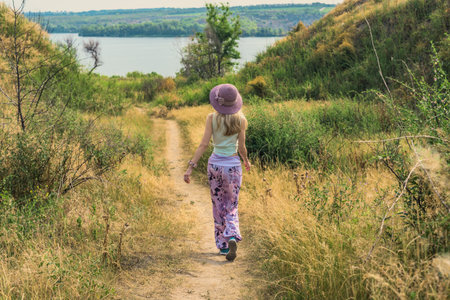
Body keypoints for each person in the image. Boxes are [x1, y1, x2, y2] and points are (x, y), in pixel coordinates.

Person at [183, 83, 251, 262]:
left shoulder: (211, 118)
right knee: (232, 204)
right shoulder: (241, 120)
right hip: (233, 167)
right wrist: (245, 160)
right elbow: (242, 147)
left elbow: (203, 145)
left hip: (214, 166)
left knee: (218, 204)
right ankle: (232, 235)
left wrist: (191, 167)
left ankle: (223, 246)